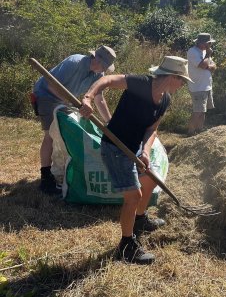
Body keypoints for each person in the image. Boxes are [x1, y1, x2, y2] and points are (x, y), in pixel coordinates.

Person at [79, 55, 192, 265]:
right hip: (115, 146)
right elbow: (107, 80)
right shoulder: (141, 83)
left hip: (135, 147)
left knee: (151, 179)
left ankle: (140, 219)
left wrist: (146, 152)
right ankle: (126, 246)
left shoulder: (165, 99)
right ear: (172, 77)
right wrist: (87, 97)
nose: (183, 85)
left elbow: (152, 129)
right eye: (183, 81)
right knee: (133, 195)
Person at [32, 46, 116, 194]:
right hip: (46, 95)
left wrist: (110, 122)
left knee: (65, 134)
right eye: (104, 66)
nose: (104, 70)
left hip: (65, 101)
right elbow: (51, 84)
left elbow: (99, 98)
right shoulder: (74, 62)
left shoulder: (98, 74)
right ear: (96, 59)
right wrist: (69, 102)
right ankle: (45, 178)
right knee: (50, 135)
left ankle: (60, 170)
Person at [187, 33, 217, 135]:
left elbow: (214, 66)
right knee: (198, 111)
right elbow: (203, 65)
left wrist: (207, 63)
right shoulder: (192, 51)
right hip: (197, 87)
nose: (209, 45)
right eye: (208, 43)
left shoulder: (204, 52)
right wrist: (208, 55)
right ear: (200, 42)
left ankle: (199, 133)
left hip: (206, 86)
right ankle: (190, 133)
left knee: (203, 111)